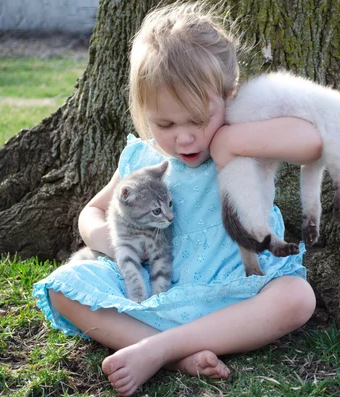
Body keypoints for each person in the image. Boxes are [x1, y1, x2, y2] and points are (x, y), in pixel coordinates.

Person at [33, 2, 322, 396]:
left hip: (235, 296)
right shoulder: (145, 159)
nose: (184, 138)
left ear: (229, 97)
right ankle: (177, 355)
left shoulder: (245, 143)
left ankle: (159, 349)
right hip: (157, 295)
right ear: (145, 112)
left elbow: (313, 140)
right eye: (165, 124)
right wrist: (114, 246)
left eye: (198, 120)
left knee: (296, 297)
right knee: (62, 288)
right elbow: (93, 211)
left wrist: (232, 138)